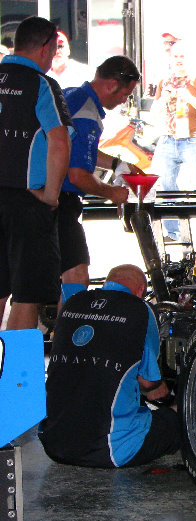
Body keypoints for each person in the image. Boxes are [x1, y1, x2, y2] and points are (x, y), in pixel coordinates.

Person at [39, 264, 181, 468]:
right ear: (141, 289)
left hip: (54, 443)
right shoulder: (139, 309)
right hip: (108, 450)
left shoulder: (72, 304)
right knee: (178, 416)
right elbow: (148, 384)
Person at [0, 16, 73, 330]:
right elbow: (59, 140)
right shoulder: (41, 84)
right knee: (27, 296)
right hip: (26, 203)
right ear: (46, 48)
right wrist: (51, 194)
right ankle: (19, 379)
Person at [59, 56, 144, 292]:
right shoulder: (87, 113)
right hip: (59, 200)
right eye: (125, 95)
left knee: (30, 281)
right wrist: (112, 192)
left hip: (32, 195)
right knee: (76, 274)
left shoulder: (72, 95)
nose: (123, 101)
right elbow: (78, 175)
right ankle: (70, 326)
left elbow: (78, 150)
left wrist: (116, 163)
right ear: (110, 84)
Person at [150, 40, 196, 191]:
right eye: (176, 56)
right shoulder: (164, 81)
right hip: (167, 139)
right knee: (165, 187)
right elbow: (153, 113)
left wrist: (190, 98)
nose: (179, 60)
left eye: (182, 56)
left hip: (192, 140)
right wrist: (163, 99)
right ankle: (173, 214)